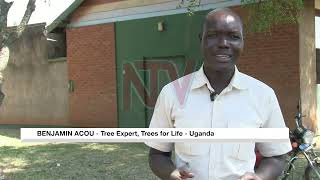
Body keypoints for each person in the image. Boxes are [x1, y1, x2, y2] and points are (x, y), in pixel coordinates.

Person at [145, 8, 292, 180]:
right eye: (213, 35)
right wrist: (171, 174)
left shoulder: (263, 95)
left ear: (243, 42)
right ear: (201, 40)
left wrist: (260, 177)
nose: (223, 43)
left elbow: (276, 156)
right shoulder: (172, 93)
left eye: (233, 36)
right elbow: (157, 154)